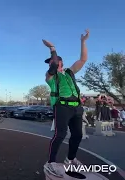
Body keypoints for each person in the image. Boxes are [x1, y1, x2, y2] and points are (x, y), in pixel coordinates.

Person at [43, 29, 89, 177]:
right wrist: (52, 49)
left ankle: (70, 159)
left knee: (77, 135)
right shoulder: (50, 76)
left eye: (52, 61)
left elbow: (83, 59)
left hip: (77, 107)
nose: (50, 63)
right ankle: (51, 163)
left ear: (61, 62)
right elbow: (53, 65)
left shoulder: (70, 72)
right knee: (60, 134)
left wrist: (83, 42)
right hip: (62, 107)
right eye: (50, 62)